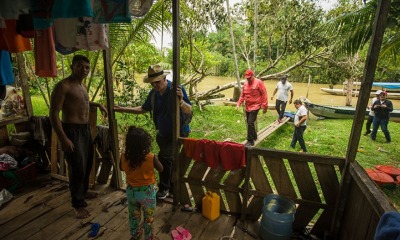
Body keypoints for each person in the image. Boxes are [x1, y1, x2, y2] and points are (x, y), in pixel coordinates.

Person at [114, 64, 192, 200]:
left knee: (165, 157)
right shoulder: (154, 94)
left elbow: (188, 110)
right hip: (162, 133)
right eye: (152, 83)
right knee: (170, 160)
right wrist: (122, 109)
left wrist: (180, 101)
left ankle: (164, 188)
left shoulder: (177, 90)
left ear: (164, 78)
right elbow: (143, 108)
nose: (155, 85)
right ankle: (173, 187)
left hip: (178, 133)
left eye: (158, 82)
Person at [49, 55, 108, 218]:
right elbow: (53, 113)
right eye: (80, 66)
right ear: (72, 67)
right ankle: (77, 204)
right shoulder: (63, 86)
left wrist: (98, 105)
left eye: (87, 67)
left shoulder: (81, 86)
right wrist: (63, 138)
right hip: (71, 130)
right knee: (77, 167)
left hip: (85, 129)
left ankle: (83, 191)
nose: (84, 70)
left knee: (87, 162)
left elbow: (81, 102)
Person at [120, 126, 163, 240]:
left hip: (131, 192)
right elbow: (161, 169)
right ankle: (149, 237)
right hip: (147, 193)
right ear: (145, 144)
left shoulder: (124, 156)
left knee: (133, 215)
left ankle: (135, 234)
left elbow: (121, 168)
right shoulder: (151, 157)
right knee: (149, 216)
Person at [236, 69, 268, 147]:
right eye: (247, 78)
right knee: (249, 122)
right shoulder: (245, 84)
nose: (248, 79)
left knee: (250, 122)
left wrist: (264, 106)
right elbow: (242, 95)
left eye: (249, 77)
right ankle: (254, 136)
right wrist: (238, 103)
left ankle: (250, 141)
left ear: (253, 76)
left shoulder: (259, 82)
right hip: (248, 106)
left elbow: (264, 94)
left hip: (256, 106)